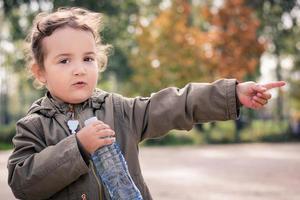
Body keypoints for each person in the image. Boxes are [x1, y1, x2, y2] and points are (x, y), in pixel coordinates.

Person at [7, 7, 285, 200]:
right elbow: (23, 184)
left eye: (88, 58)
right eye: (64, 60)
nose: (79, 69)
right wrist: (78, 147)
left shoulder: (119, 110)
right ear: (40, 72)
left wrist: (232, 93)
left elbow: (176, 104)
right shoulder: (33, 126)